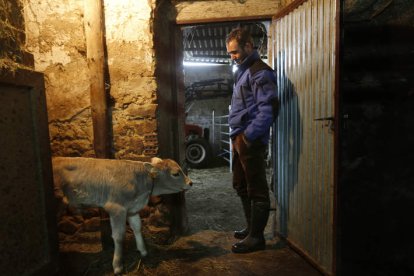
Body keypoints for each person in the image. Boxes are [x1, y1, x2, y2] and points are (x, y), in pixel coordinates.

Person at [226, 27, 278, 254]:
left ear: (249, 45)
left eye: (235, 52)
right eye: (230, 53)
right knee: (240, 185)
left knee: (257, 189)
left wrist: (248, 136)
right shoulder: (244, 71)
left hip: (250, 139)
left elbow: (268, 109)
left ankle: (257, 238)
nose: (232, 57)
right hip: (239, 136)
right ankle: (250, 229)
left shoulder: (260, 72)